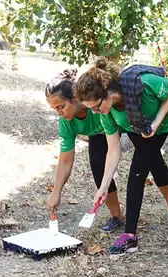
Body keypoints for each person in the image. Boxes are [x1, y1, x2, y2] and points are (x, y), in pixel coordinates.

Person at [74, 57, 168, 257]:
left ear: (108, 93)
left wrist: (157, 122)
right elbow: (113, 150)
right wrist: (104, 186)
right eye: (91, 110)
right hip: (148, 126)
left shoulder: (141, 82)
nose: (96, 112)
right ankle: (129, 235)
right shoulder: (107, 114)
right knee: (137, 172)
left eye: (96, 107)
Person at [44, 68, 125, 232]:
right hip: (99, 134)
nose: (59, 113)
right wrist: (56, 192)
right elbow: (65, 160)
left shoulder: (94, 103)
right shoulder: (66, 121)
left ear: (75, 99)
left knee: (150, 162)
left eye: (61, 107)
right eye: (55, 109)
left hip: (124, 125)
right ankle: (117, 217)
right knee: (98, 168)